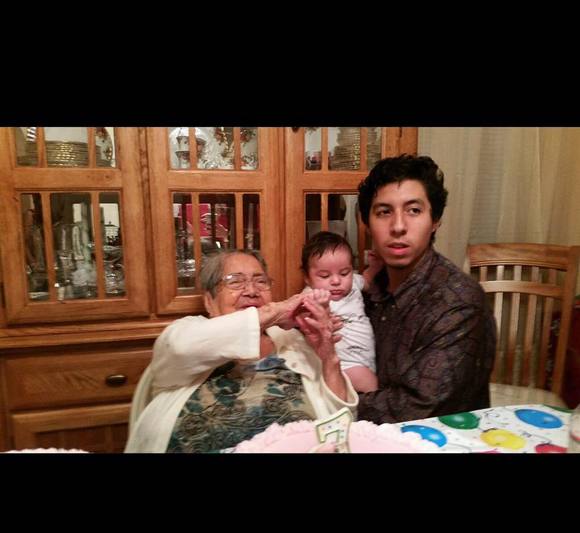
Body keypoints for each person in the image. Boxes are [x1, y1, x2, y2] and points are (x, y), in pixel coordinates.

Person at [125, 248, 358, 453]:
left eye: (261, 281)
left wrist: (327, 355)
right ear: (209, 301)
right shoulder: (186, 332)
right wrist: (276, 312)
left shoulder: (293, 340)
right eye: (235, 282)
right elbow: (180, 348)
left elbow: (342, 420)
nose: (252, 291)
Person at [356, 154, 496, 424]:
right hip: (373, 433)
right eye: (384, 212)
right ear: (368, 225)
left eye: (413, 210)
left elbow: (416, 407)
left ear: (435, 220)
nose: (398, 226)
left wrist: (334, 403)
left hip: (439, 438)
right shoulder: (372, 287)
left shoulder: (459, 302)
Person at [301, 231, 383, 393]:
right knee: (372, 387)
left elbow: (366, 280)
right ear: (307, 278)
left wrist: (375, 267)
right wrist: (322, 308)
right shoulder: (311, 296)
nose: (336, 281)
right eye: (325, 275)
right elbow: (305, 322)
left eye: (344, 273)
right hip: (343, 363)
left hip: (365, 359)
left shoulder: (354, 283)